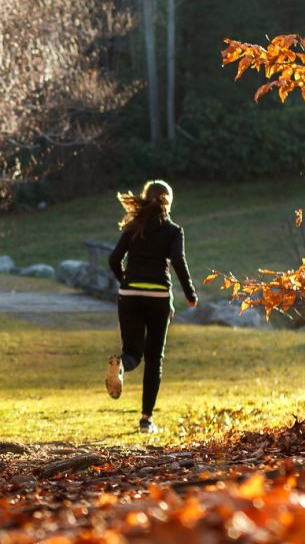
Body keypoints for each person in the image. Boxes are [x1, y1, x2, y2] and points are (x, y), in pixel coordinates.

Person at [105, 179, 197, 433]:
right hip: (158, 298)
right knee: (154, 359)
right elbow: (178, 262)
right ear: (169, 202)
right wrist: (190, 294)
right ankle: (146, 420)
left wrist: (125, 280)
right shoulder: (172, 231)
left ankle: (121, 364)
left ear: (146, 198)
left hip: (130, 295)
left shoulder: (133, 227)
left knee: (133, 352)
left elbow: (114, 259)